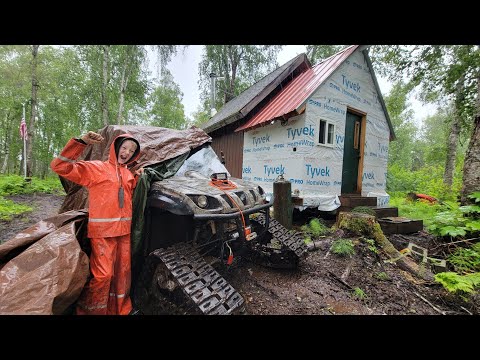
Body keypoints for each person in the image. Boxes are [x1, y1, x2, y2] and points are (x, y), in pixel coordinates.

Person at [51, 130, 143, 315]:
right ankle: (90, 311)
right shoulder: (97, 168)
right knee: (104, 276)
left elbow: (127, 193)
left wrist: (138, 177)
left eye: (132, 151)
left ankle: (119, 310)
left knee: (122, 275)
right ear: (115, 147)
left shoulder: (127, 174)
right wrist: (80, 143)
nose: (127, 152)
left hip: (123, 233)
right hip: (102, 233)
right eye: (124, 147)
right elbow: (60, 166)